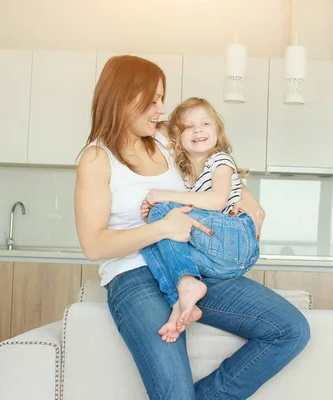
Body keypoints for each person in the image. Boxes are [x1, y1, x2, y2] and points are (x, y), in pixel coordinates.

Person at [74, 54, 310, 400]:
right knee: (173, 393)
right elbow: (94, 245)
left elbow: (211, 163)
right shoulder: (96, 159)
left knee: (290, 330)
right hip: (134, 275)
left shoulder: (165, 139)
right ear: (124, 98)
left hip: (194, 265)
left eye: (160, 98)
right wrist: (163, 228)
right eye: (152, 100)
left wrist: (247, 196)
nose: (160, 108)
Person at [138, 97, 260, 342]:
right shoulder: (185, 176)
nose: (198, 130)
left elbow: (216, 201)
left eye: (205, 123)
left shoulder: (220, 160)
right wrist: (152, 212)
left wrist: (162, 199)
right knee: (151, 238)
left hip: (237, 238)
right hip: (218, 257)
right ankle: (180, 302)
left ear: (217, 130)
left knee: (164, 214)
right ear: (177, 137)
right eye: (188, 127)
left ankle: (187, 287)